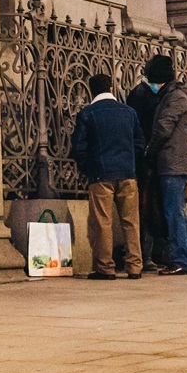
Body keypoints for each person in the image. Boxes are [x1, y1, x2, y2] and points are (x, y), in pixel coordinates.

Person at [71, 73, 145, 279]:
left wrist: (88, 167)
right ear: (111, 89)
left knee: (102, 221)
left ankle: (105, 267)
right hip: (128, 174)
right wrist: (130, 162)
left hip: (100, 175)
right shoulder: (129, 112)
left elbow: (79, 147)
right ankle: (134, 267)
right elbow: (140, 143)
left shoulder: (88, 113)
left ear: (91, 91)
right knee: (131, 221)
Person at [145, 55, 187, 275]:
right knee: (179, 212)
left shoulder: (175, 97)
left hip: (173, 162)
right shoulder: (175, 95)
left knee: (173, 213)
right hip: (177, 161)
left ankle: (180, 260)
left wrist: (150, 150)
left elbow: (163, 127)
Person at [125, 69, 164, 269]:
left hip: (150, 159)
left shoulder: (149, 94)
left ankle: (151, 253)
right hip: (146, 161)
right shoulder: (141, 96)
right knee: (147, 209)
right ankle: (146, 254)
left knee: (151, 209)